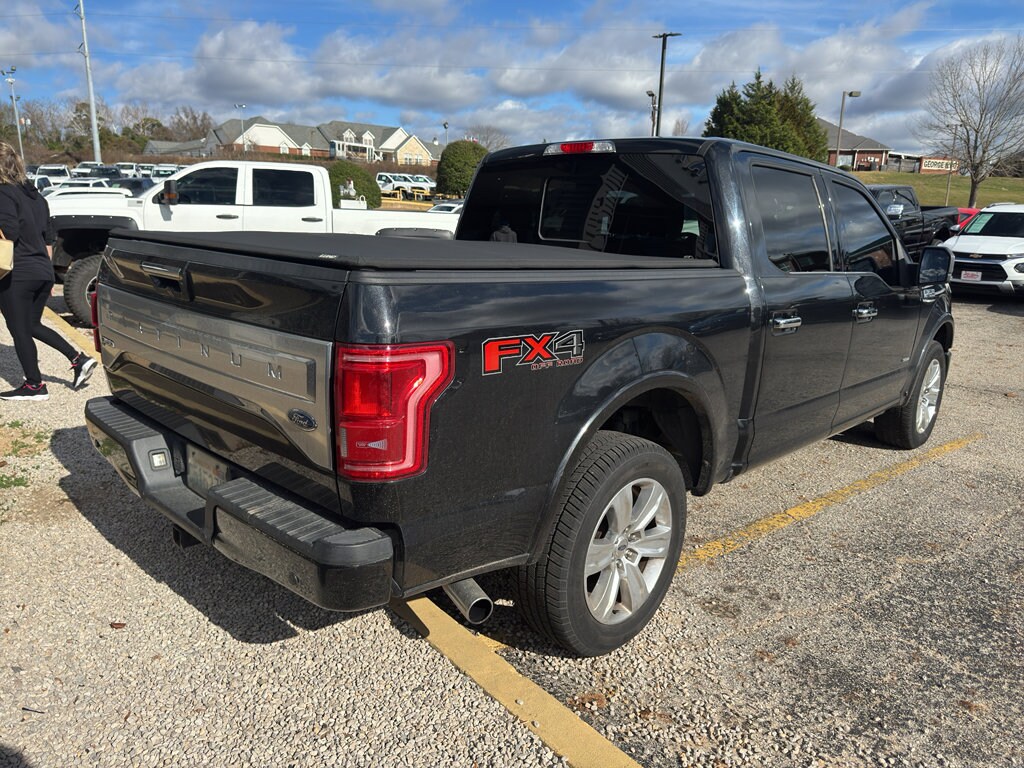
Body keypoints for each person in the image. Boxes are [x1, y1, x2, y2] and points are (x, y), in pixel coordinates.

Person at [0, 141, 96, 401]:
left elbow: (9, 231)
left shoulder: (3, 193)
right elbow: (48, 238)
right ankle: (79, 359)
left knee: (19, 329)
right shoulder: (37, 197)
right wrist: (48, 273)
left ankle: (34, 386)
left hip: (16, 272)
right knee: (31, 324)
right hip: (41, 270)